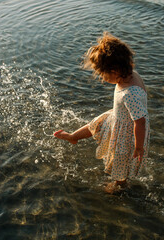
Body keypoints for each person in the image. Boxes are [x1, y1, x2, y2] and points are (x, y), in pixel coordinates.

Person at [54, 32, 150, 194]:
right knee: (96, 124)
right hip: (117, 118)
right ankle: (73, 137)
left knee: (120, 162)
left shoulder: (130, 93)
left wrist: (138, 147)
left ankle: (120, 185)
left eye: (102, 75)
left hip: (127, 135)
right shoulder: (132, 76)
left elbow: (139, 121)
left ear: (114, 71)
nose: (101, 78)